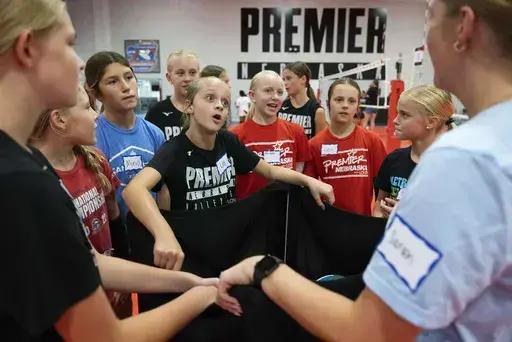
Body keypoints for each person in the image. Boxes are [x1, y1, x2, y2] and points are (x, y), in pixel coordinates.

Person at [217, 0, 512, 341]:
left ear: (463, 25)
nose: (423, 41)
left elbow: (370, 329)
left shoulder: (461, 161)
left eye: (428, 19)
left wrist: (263, 269)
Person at [0, 2, 222, 341]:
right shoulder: (21, 182)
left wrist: (189, 281)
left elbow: (89, 261)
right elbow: (105, 336)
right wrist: (203, 296)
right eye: (70, 44)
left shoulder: (30, 164)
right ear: (28, 49)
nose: (78, 62)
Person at [30, 83, 218, 316]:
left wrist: (186, 281)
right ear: (59, 120)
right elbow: (89, 264)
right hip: (74, 305)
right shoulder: (36, 184)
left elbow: (113, 219)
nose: (95, 116)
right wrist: (188, 285)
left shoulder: (95, 160)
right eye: (88, 108)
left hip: (112, 288)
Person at [122, 77, 334, 271]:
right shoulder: (174, 149)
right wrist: (163, 233)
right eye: (210, 98)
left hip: (227, 244)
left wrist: (308, 181)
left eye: (224, 102)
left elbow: (269, 170)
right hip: (192, 249)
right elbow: (134, 190)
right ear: (189, 106)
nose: (219, 106)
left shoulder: (228, 141)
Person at [85, 51, 168, 219]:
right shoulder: (92, 137)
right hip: (116, 235)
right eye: (113, 81)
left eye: (129, 77)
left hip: (150, 233)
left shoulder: (154, 133)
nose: (126, 87)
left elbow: (164, 191)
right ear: (96, 93)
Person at [304, 77, 388, 216]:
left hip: (362, 222)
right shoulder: (314, 145)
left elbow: (383, 186)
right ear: (328, 103)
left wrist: (378, 216)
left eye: (351, 101)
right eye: (339, 100)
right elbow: (309, 188)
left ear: (357, 106)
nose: (345, 105)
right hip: (328, 221)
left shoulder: (372, 141)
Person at [374, 85, 456, 218]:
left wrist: (408, 217)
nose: (395, 120)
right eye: (397, 113)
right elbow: (379, 205)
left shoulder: (452, 168)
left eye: (405, 115)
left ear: (431, 121)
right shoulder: (393, 160)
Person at [230, 70, 310, 200]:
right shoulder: (235, 135)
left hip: (285, 210)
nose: (275, 97)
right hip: (249, 212)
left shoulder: (296, 132)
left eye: (279, 92)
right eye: (268, 91)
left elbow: (299, 173)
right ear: (252, 95)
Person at [145, 50, 200, 140]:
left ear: (199, 76)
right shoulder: (156, 112)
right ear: (169, 78)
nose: (187, 78)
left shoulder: (206, 110)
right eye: (180, 73)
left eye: (192, 72)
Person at [278, 62, 327, 139]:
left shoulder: (317, 111)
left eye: (289, 78)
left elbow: (319, 145)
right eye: (284, 79)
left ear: (303, 79)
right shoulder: (280, 106)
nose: (285, 83)